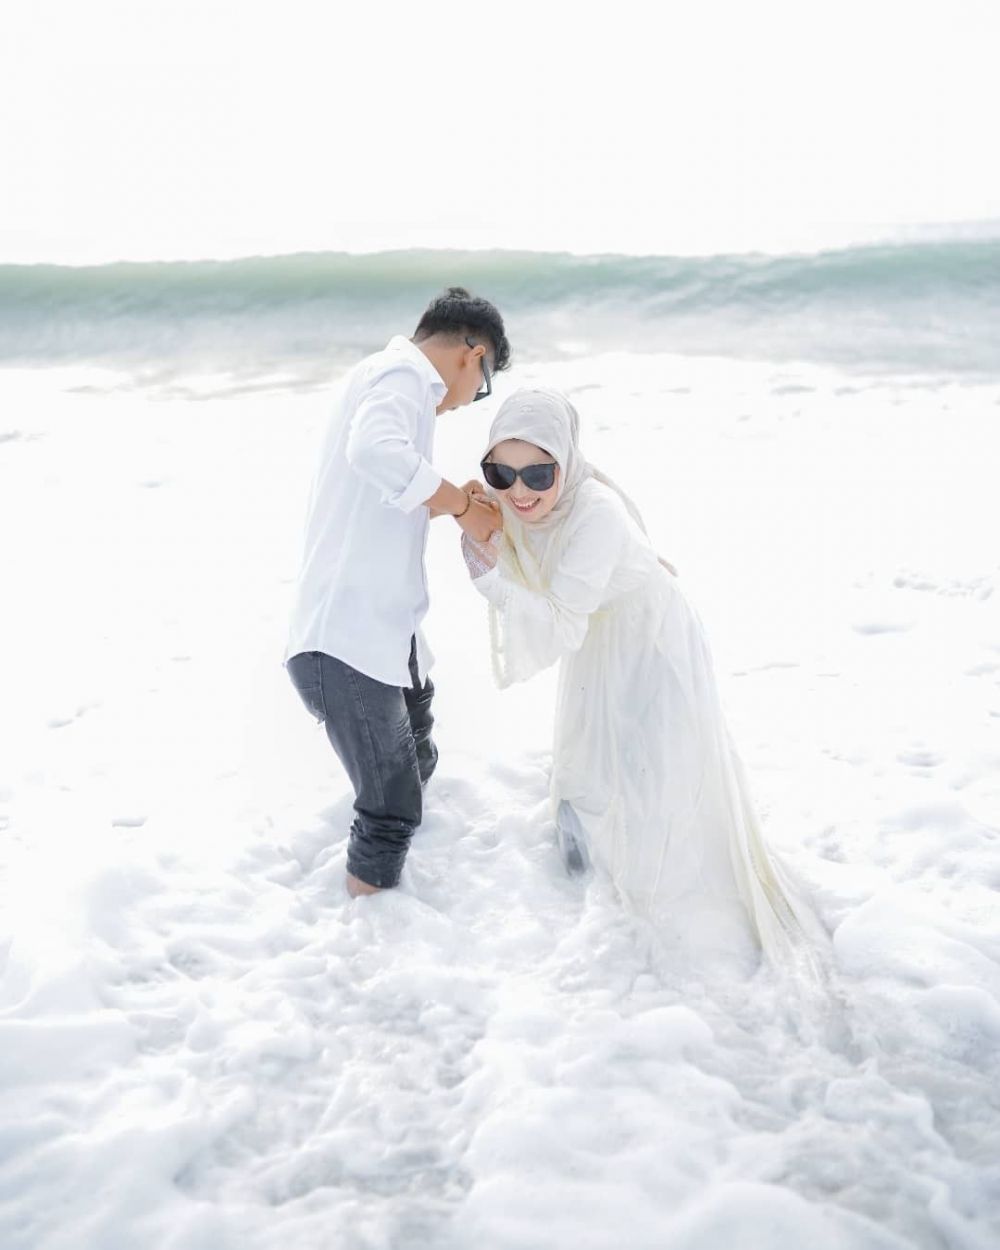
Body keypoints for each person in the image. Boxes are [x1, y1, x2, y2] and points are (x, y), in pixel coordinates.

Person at [461, 387, 821, 969]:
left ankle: (674, 914)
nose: (519, 491)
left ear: (568, 463)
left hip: (651, 635)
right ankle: (590, 853)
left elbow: (556, 620)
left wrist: (487, 578)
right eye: (500, 471)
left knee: (660, 761)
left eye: (538, 473)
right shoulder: (519, 497)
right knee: (596, 747)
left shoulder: (595, 512)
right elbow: (507, 532)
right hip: (597, 627)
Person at [286, 287, 509, 898]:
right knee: (391, 810)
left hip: (382, 637)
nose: (469, 402)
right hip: (347, 642)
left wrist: (450, 504)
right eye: (483, 386)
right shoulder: (404, 376)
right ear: (475, 354)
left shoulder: (382, 378)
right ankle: (361, 956)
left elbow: (380, 500)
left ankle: (395, 919)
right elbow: (374, 450)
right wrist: (462, 504)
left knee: (418, 762)